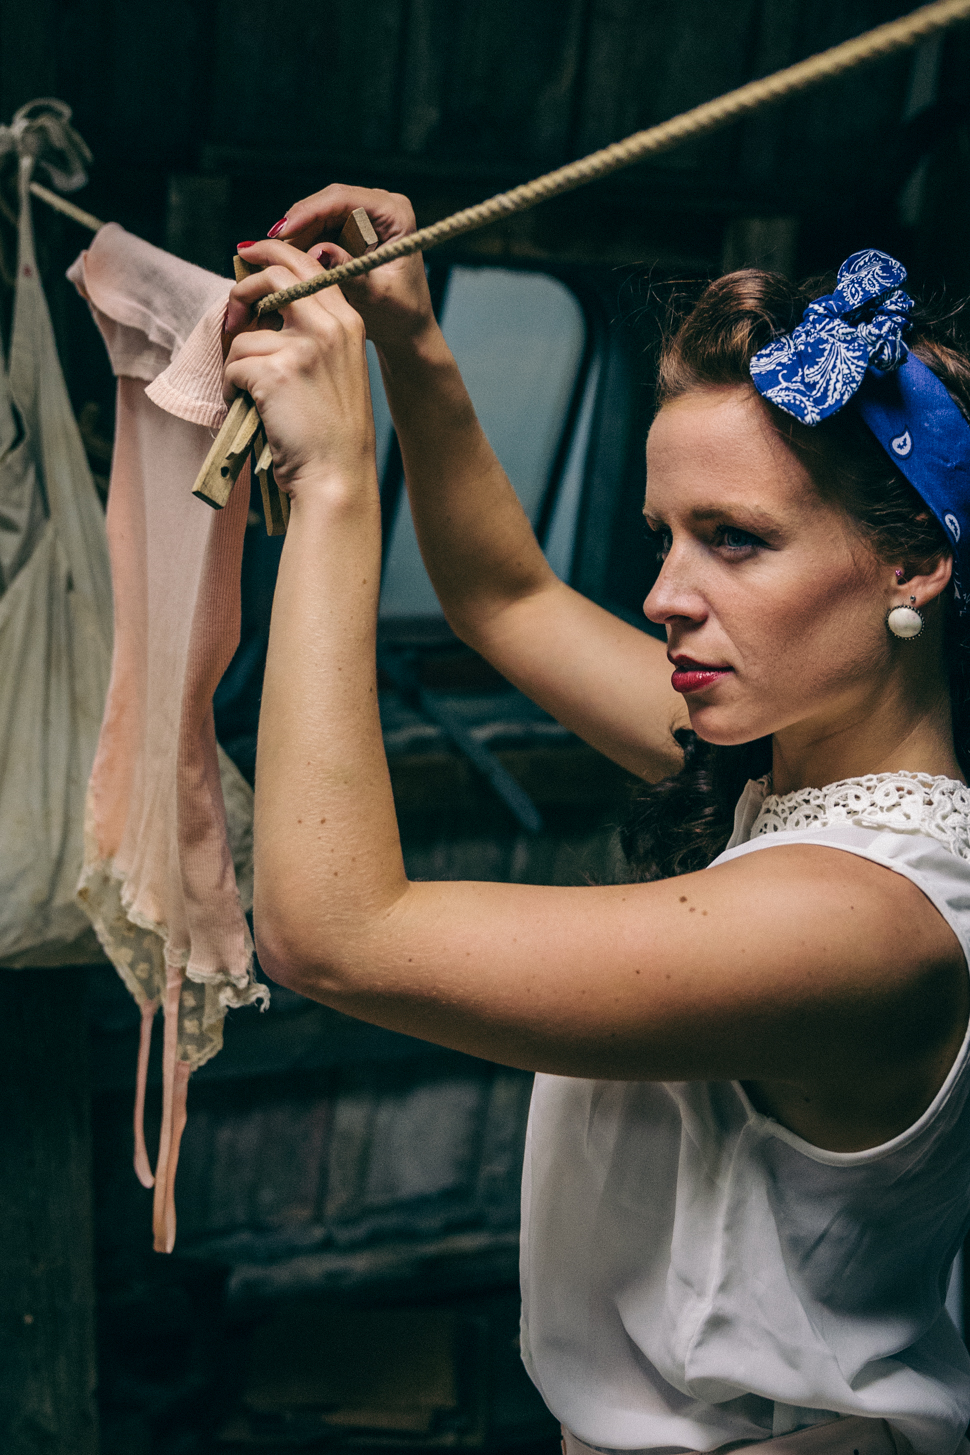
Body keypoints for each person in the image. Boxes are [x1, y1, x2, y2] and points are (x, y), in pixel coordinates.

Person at [224, 189, 970, 1455]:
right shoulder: (795, 774)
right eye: (663, 536)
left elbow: (330, 934)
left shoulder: (866, 920)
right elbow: (506, 597)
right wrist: (414, 342)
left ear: (912, 563)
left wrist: (336, 479)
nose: (664, 594)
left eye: (735, 540)